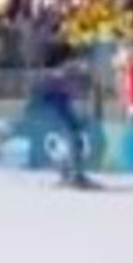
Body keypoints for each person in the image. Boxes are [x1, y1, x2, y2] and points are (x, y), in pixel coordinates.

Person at [27, 39, 97, 189]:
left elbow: (74, 89)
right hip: (54, 109)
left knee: (74, 136)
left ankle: (74, 174)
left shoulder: (62, 72)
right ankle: (72, 175)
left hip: (63, 108)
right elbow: (48, 91)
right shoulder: (52, 75)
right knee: (70, 137)